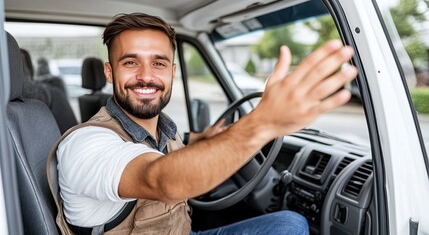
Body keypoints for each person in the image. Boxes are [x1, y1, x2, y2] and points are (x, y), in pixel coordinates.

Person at [51, 12, 357, 234]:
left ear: (172, 72)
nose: (146, 76)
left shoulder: (162, 130)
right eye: (130, 63)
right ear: (109, 72)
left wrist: (204, 138)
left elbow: (162, 149)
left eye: (158, 63)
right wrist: (263, 123)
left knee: (290, 222)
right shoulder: (84, 144)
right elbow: (161, 179)